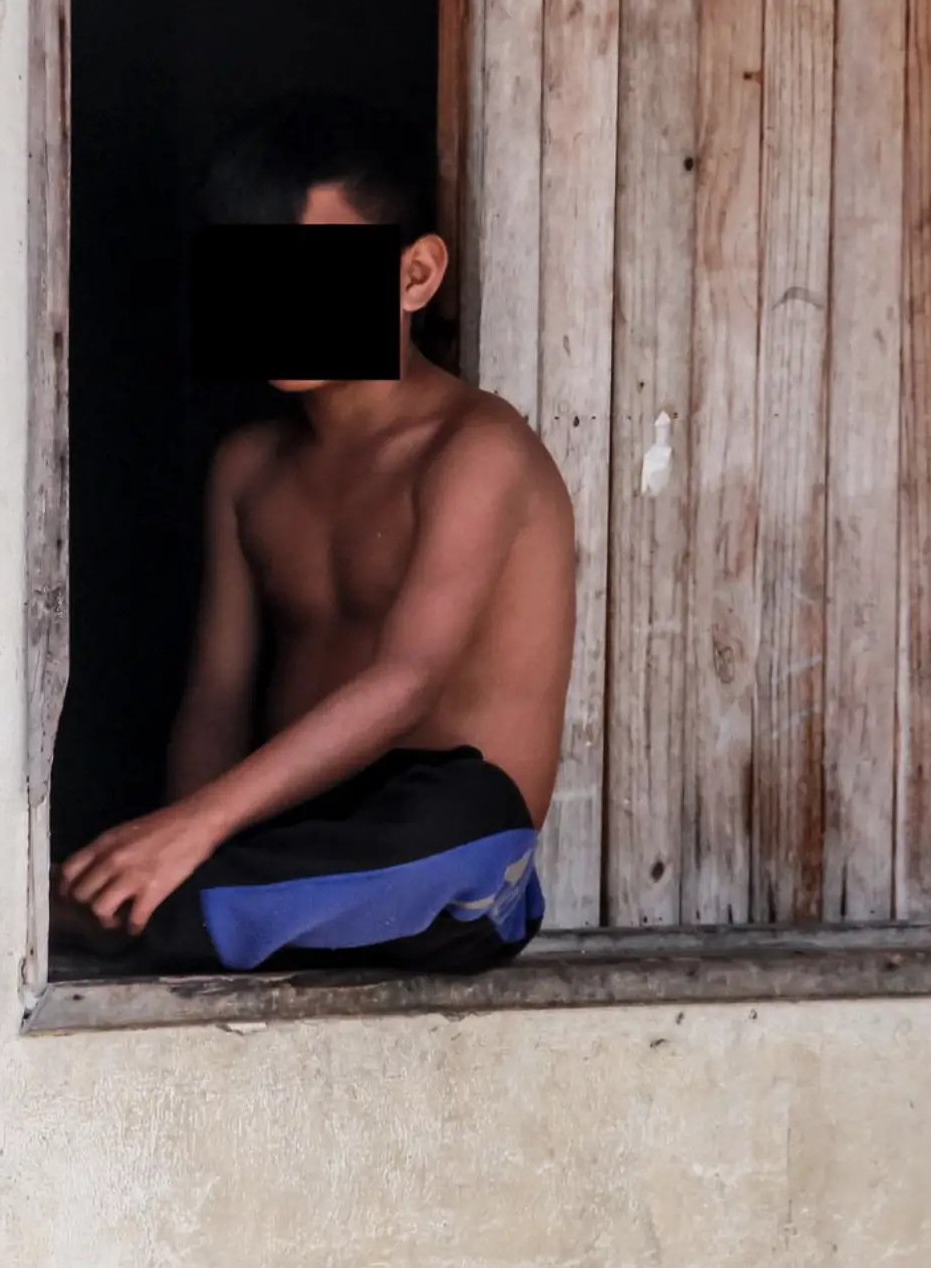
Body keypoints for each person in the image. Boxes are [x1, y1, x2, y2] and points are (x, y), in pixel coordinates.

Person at [56, 94, 575, 974]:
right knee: (160, 893)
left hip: (444, 858)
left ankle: (193, 913)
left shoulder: (476, 451)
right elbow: (217, 700)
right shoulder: (249, 468)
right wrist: (177, 847)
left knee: (469, 817)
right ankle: (193, 914)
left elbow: (406, 683)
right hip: (292, 833)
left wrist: (196, 827)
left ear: (414, 276)